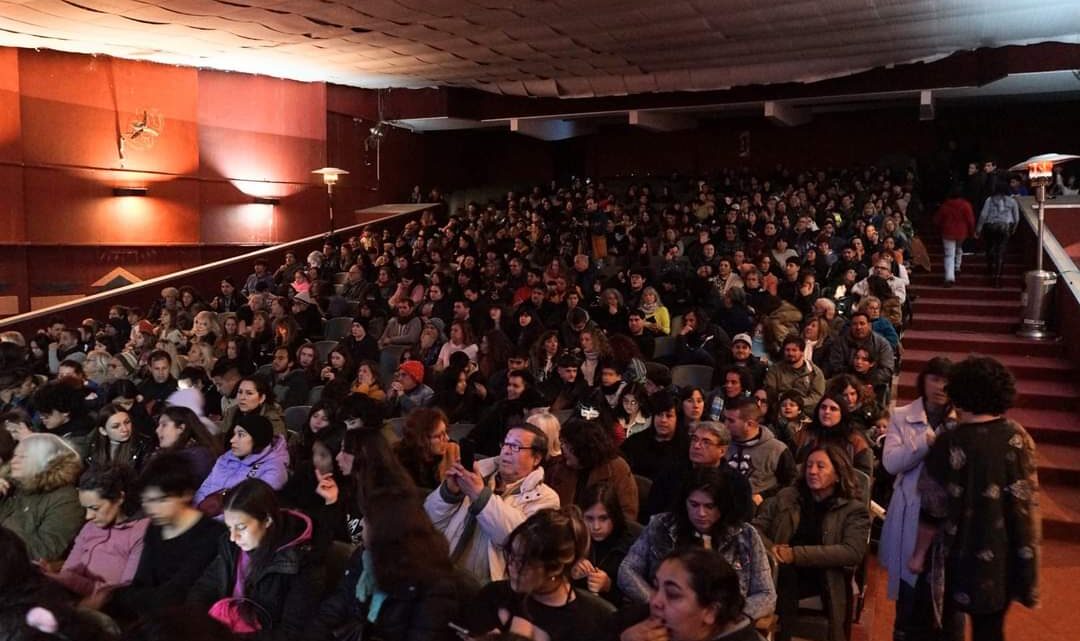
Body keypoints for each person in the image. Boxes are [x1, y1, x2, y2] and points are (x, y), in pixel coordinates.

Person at [909, 356, 1039, 641]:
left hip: (956, 552)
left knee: (941, 627)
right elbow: (1026, 500)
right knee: (990, 630)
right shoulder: (1018, 437)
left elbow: (933, 508)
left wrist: (918, 554)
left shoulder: (949, 441)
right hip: (1001, 553)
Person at [619, 467, 775, 622]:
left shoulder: (745, 535)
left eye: (709, 506)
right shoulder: (661, 525)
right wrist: (656, 601)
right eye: (694, 504)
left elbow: (766, 593)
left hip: (722, 625)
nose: (700, 513)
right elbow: (628, 569)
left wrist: (727, 617)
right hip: (665, 620)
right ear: (684, 502)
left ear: (722, 506)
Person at [306, 486, 460, 641]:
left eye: (366, 520)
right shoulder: (365, 558)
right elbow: (335, 607)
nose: (360, 525)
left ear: (384, 530)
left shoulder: (435, 586)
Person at [752, 445, 871, 641]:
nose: (812, 471)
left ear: (838, 474)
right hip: (776, 566)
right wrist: (772, 549)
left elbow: (852, 551)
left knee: (785, 577)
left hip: (821, 574)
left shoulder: (852, 510)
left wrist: (796, 554)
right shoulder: (787, 496)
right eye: (808, 466)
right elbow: (755, 529)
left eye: (820, 466)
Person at [187, 478, 327, 637]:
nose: (233, 537)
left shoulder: (303, 560)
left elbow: (291, 631)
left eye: (241, 527)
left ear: (267, 520)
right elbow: (204, 587)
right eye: (229, 527)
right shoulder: (231, 545)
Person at [880, 357, 957, 641]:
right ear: (923, 380)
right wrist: (925, 444)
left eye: (947, 382)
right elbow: (890, 464)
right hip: (910, 510)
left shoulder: (961, 421)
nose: (941, 387)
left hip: (945, 515)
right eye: (935, 379)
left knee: (942, 596)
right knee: (909, 594)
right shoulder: (901, 415)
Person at [424, 423, 560, 583]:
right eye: (506, 444)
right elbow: (428, 520)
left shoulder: (546, 498)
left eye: (516, 447)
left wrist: (480, 495)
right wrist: (448, 494)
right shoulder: (477, 474)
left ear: (536, 458)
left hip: (492, 587)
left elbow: (518, 540)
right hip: (447, 573)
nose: (507, 451)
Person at [100, 452, 226, 621]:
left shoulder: (211, 535)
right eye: (147, 501)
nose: (152, 509)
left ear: (186, 494)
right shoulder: (155, 528)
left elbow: (176, 594)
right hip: (149, 616)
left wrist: (122, 596)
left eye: (160, 500)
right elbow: (141, 581)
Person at [462, 507, 614, 641]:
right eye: (511, 554)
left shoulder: (589, 624)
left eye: (523, 562)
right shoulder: (494, 596)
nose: (511, 565)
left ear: (555, 568)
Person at [45, 464, 150, 597]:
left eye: (95, 508)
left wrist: (68, 579)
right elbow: (69, 571)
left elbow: (123, 591)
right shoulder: (90, 527)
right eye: (86, 508)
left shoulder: (141, 532)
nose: (88, 516)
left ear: (119, 498)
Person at [618, 549, 766, 641]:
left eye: (672, 594)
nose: (655, 601)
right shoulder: (641, 620)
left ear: (711, 611)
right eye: (656, 587)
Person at [0, 433, 84, 561]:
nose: (13, 461)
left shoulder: (66, 500)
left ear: (45, 461)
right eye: (15, 455)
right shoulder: (9, 486)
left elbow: (45, 550)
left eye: (23, 457)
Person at [545, 418, 639, 523]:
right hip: (567, 531)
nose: (562, 448)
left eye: (567, 444)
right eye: (562, 443)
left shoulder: (616, 468)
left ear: (583, 448)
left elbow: (627, 513)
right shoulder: (559, 466)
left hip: (602, 532)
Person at [194, 414, 289, 515]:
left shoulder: (273, 470)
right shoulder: (227, 457)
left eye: (241, 435)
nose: (232, 440)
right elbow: (204, 490)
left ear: (258, 438)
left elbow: (248, 512)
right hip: (203, 518)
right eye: (234, 434)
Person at [723, 397, 797, 507]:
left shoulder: (777, 449)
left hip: (758, 512)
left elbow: (791, 483)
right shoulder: (722, 444)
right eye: (725, 419)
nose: (725, 424)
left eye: (731, 421)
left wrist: (764, 496)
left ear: (749, 424)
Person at [573, 483, 638, 607]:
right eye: (589, 519)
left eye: (603, 519)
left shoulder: (631, 546)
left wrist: (609, 586)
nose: (596, 527)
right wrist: (571, 571)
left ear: (615, 517)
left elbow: (636, 599)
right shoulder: (575, 538)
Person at [794, 394, 874, 478]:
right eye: (823, 407)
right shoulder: (804, 434)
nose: (827, 412)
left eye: (833, 409)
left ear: (842, 413)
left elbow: (864, 477)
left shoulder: (855, 440)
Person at [621, 391, 689, 480]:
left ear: (677, 419)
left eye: (669, 416)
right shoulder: (635, 442)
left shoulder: (686, 446)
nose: (663, 420)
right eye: (659, 415)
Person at [394, 407, 461, 490]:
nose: (447, 438)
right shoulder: (401, 462)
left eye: (446, 432)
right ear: (421, 439)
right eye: (439, 436)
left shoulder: (452, 450)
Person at [84, 404, 155, 472]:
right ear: (103, 431)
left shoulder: (143, 447)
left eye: (127, 422)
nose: (125, 429)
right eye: (116, 426)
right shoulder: (93, 449)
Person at [975, 182, 1020, 288]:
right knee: (1001, 251)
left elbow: (983, 215)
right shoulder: (1012, 201)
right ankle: (997, 277)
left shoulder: (989, 200)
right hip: (1005, 226)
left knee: (990, 246)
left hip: (991, 225)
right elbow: (1017, 218)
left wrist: (978, 229)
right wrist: (1014, 229)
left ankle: (990, 267)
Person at [934, 185, 976, 287]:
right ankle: (957, 266)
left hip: (948, 232)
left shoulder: (945, 205)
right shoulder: (966, 205)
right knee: (959, 248)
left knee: (949, 254)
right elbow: (970, 220)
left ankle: (949, 277)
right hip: (962, 232)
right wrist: (972, 232)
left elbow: (937, 220)